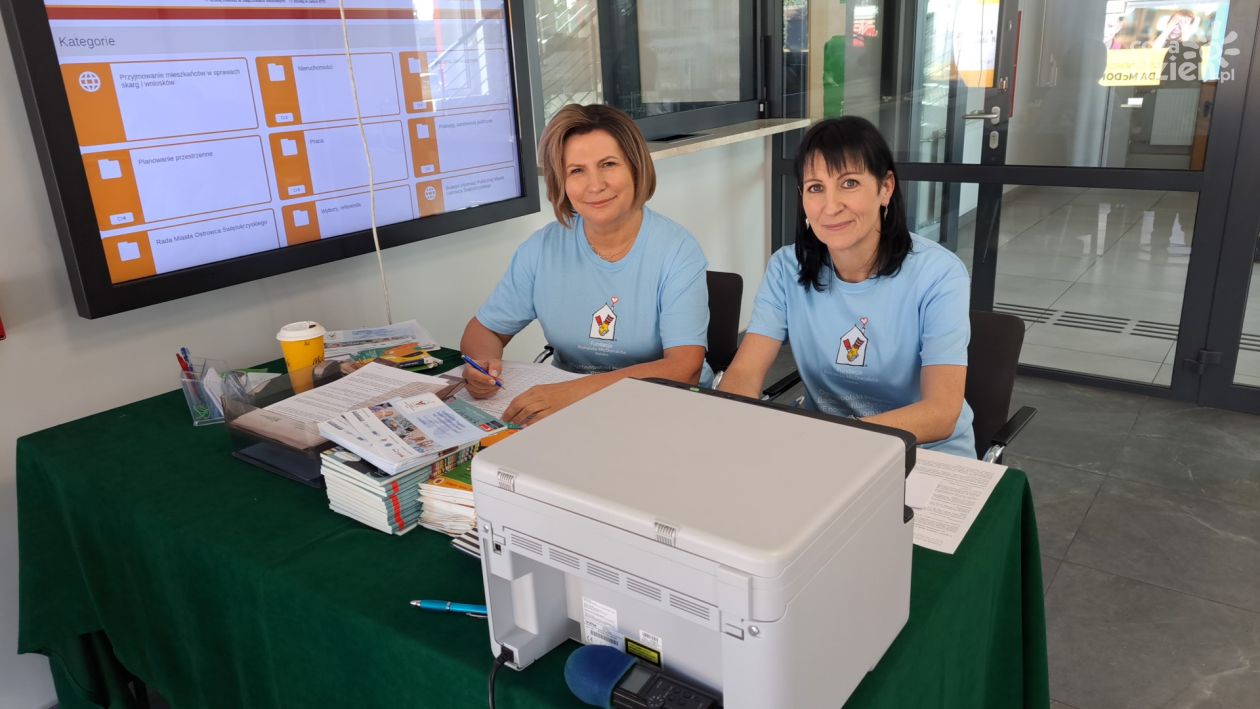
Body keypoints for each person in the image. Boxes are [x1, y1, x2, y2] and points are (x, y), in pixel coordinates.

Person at [718, 116, 976, 457]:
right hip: (826, 451)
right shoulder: (786, 268)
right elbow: (745, 373)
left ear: (885, 188)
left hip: (925, 454)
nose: (831, 206)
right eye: (816, 188)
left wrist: (840, 441)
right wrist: (729, 416)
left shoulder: (939, 274)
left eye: (849, 183)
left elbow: (941, 412)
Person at [459, 104, 709, 425]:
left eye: (608, 164)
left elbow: (684, 368)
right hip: (566, 410)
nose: (595, 185)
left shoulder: (677, 250)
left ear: (636, 167)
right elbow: (486, 329)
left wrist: (576, 393)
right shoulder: (541, 249)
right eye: (577, 170)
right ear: (560, 182)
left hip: (661, 410)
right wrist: (482, 365)